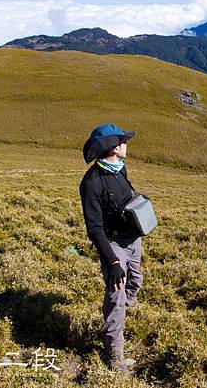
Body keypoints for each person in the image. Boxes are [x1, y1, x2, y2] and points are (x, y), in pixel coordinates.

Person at [79, 123, 143, 372]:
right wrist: (113, 262)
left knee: (135, 283)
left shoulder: (119, 168)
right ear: (115, 148)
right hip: (113, 244)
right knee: (116, 296)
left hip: (133, 239)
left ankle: (120, 320)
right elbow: (94, 228)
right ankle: (115, 353)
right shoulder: (91, 183)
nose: (127, 145)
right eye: (124, 142)